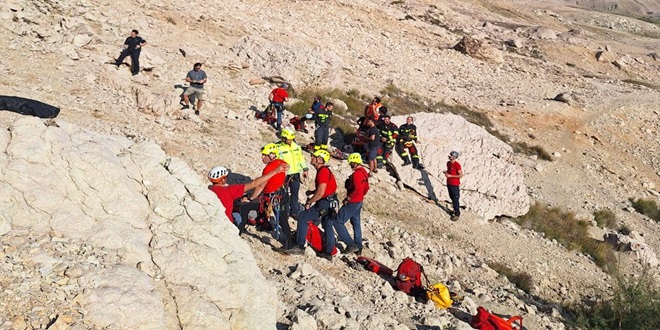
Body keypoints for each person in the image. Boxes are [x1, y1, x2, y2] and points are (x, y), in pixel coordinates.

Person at [280, 149, 338, 259]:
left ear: (320, 160)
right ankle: (328, 252)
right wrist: (312, 192)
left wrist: (309, 202)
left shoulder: (323, 172)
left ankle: (300, 246)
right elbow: (326, 188)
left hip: (324, 202)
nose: (311, 158)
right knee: (327, 225)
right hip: (331, 201)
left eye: (313, 156)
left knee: (303, 217)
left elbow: (321, 192)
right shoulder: (325, 171)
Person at [207, 163, 288, 228]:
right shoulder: (229, 190)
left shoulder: (208, 190)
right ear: (223, 179)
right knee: (238, 217)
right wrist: (275, 171)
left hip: (214, 221)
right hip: (227, 223)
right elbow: (254, 183)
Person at [248, 143, 294, 248]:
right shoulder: (281, 162)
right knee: (276, 214)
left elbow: (260, 186)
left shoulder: (268, 169)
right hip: (282, 194)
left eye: (265, 155)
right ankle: (265, 225)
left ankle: (289, 244)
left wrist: (251, 198)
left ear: (272, 155)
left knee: (282, 220)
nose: (262, 157)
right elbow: (288, 166)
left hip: (275, 197)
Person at [332, 153, 369, 255]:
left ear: (354, 162)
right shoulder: (364, 172)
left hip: (353, 202)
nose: (350, 165)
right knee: (356, 223)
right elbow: (366, 188)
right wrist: (361, 196)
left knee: (338, 221)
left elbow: (357, 188)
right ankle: (358, 245)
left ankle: (351, 244)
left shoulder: (357, 174)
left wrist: (349, 198)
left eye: (351, 163)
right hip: (359, 201)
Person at [276, 129, 309, 219]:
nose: (290, 141)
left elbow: (301, 159)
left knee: (295, 194)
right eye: (288, 139)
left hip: (295, 174)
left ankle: (294, 212)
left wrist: (305, 169)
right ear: (283, 138)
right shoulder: (278, 148)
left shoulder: (296, 147)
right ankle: (285, 212)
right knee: (284, 194)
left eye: (291, 139)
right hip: (284, 175)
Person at [444, 151, 464, 221]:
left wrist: (450, 175)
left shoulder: (457, 165)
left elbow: (461, 175)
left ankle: (457, 214)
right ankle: (454, 210)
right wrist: (446, 173)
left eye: (451, 155)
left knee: (455, 199)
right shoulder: (448, 163)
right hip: (449, 183)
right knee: (451, 197)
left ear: (455, 157)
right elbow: (449, 171)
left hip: (455, 184)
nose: (449, 156)